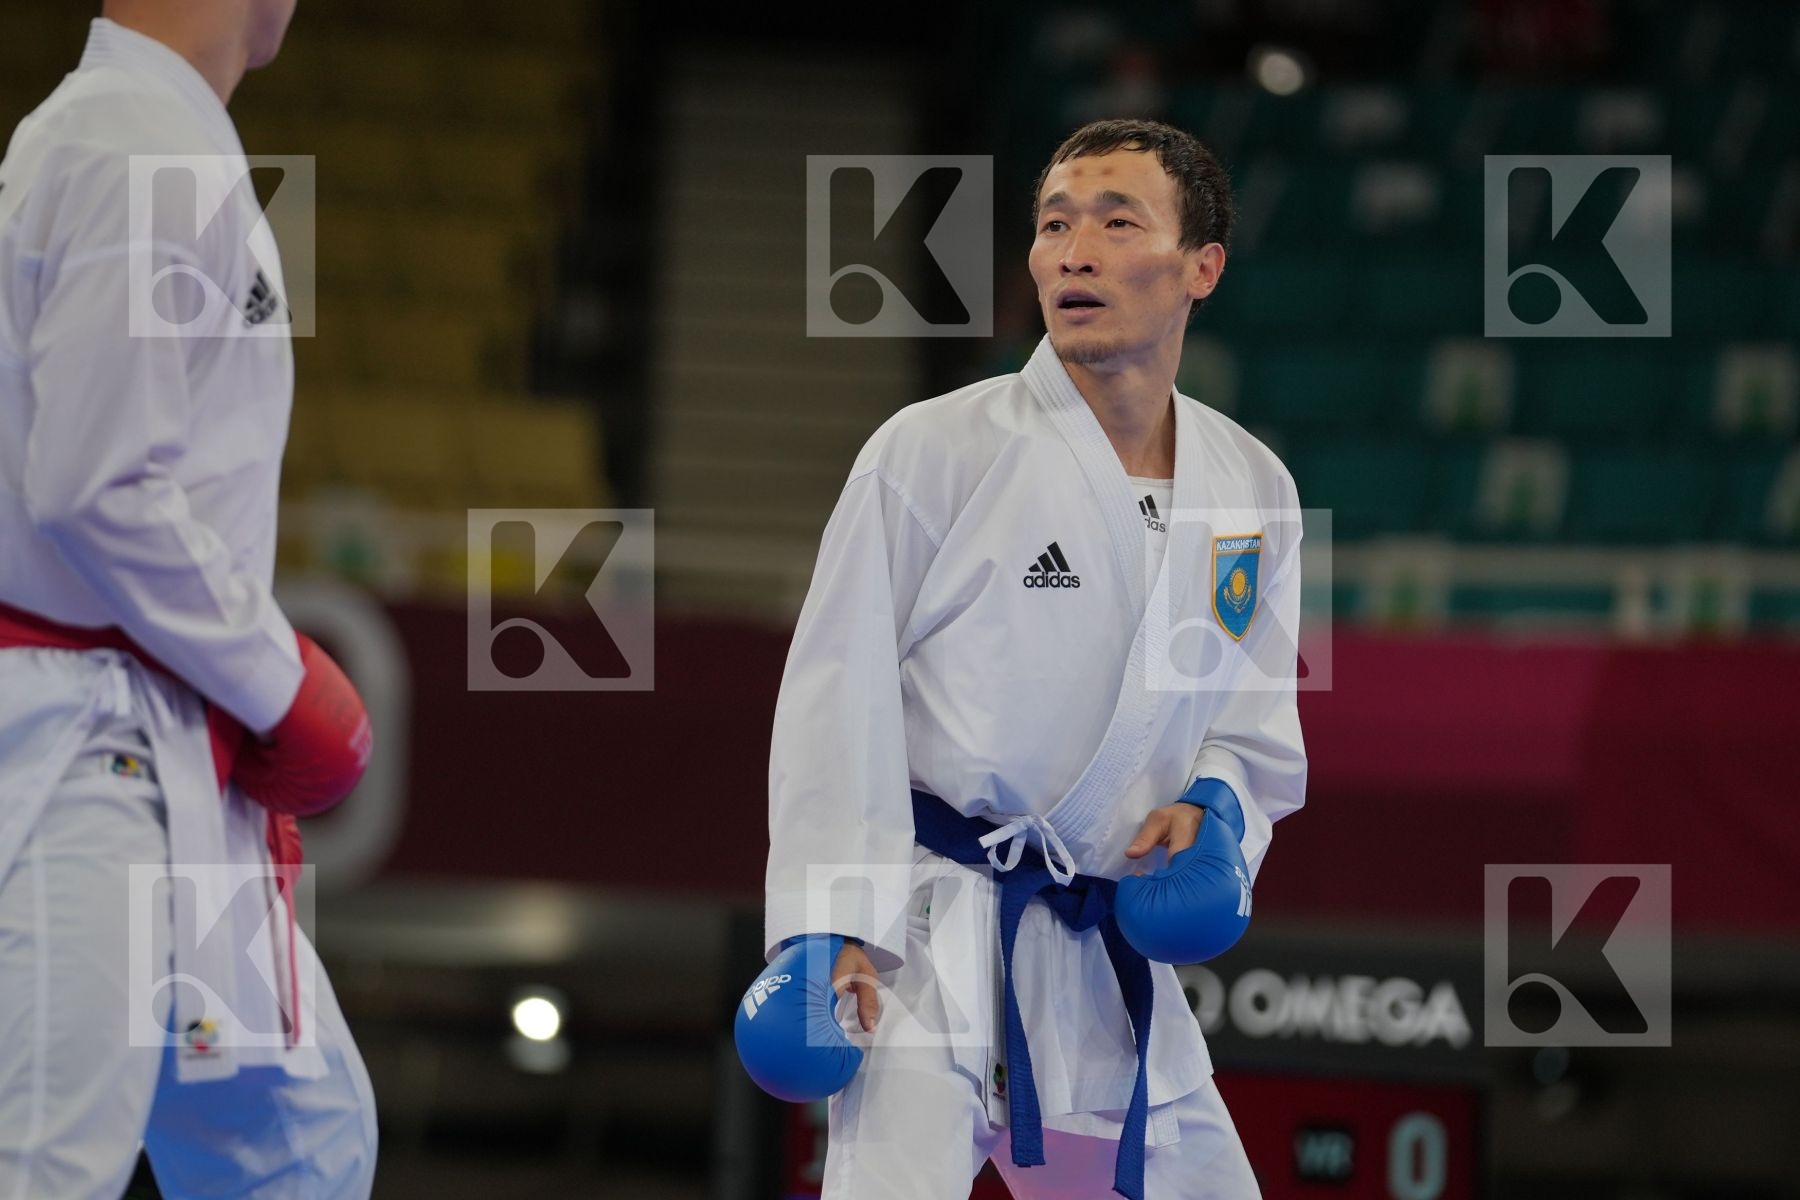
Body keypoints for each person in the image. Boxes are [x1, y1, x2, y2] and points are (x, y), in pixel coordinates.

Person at [739, 120, 1307, 1198]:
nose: (1074, 253)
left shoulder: (1254, 487)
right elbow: (835, 690)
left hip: (1106, 941)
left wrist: (1220, 807)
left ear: (1202, 267)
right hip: (928, 935)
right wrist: (827, 921)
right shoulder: (933, 451)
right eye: (1054, 226)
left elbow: (1253, 720)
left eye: (1117, 223)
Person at [0, 2, 378, 1195]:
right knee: (50, 1162)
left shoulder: (158, 136)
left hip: (172, 750)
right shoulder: (131, 143)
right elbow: (94, 481)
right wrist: (278, 681)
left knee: (306, 1150)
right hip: (82, 756)